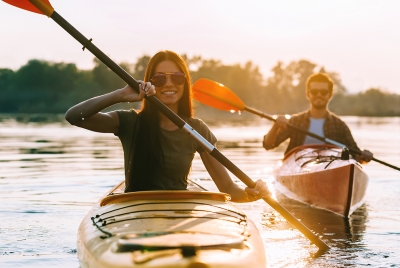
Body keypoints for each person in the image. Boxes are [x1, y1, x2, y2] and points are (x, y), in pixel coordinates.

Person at [65, 50, 269, 202]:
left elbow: (227, 188)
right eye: (160, 79)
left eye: (177, 77)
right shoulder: (130, 122)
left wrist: (253, 194)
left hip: (178, 210)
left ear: (185, 83)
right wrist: (120, 95)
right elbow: (74, 116)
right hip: (134, 211)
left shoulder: (197, 130)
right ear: (149, 83)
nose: (169, 84)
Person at [262, 73, 373, 163]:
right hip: (297, 167)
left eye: (323, 92)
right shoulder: (295, 122)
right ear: (308, 94)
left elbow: (357, 157)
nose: (319, 95)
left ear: (330, 95)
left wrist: (365, 156)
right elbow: (268, 145)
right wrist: (275, 126)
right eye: (314, 92)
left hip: (329, 167)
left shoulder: (340, 126)